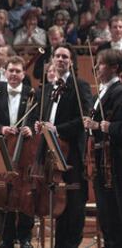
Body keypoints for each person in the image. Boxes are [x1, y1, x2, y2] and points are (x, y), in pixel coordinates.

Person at [33, 44, 92, 248]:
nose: (60, 59)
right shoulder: (48, 88)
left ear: (71, 61)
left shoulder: (79, 85)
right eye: (57, 56)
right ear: (52, 60)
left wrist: (56, 129)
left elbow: (83, 119)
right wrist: (40, 124)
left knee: (74, 205)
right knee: (58, 205)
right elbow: (43, 117)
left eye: (65, 56)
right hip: (50, 153)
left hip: (71, 153)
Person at [0, 56, 35, 248]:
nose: (14, 74)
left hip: (25, 151)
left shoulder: (32, 94)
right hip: (3, 148)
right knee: (3, 192)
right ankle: (6, 238)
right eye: (11, 70)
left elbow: (38, 119)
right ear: (5, 72)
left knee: (26, 194)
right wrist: (1, 129)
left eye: (18, 71)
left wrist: (30, 128)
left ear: (23, 74)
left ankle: (25, 237)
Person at [83, 49, 122, 248]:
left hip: (114, 163)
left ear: (115, 68)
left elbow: (116, 125)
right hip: (101, 160)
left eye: (101, 64)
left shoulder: (119, 91)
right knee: (106, 214)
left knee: (113, 214)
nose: (97, 67)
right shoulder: (102, 91)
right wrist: (92, 123)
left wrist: (102, 126)